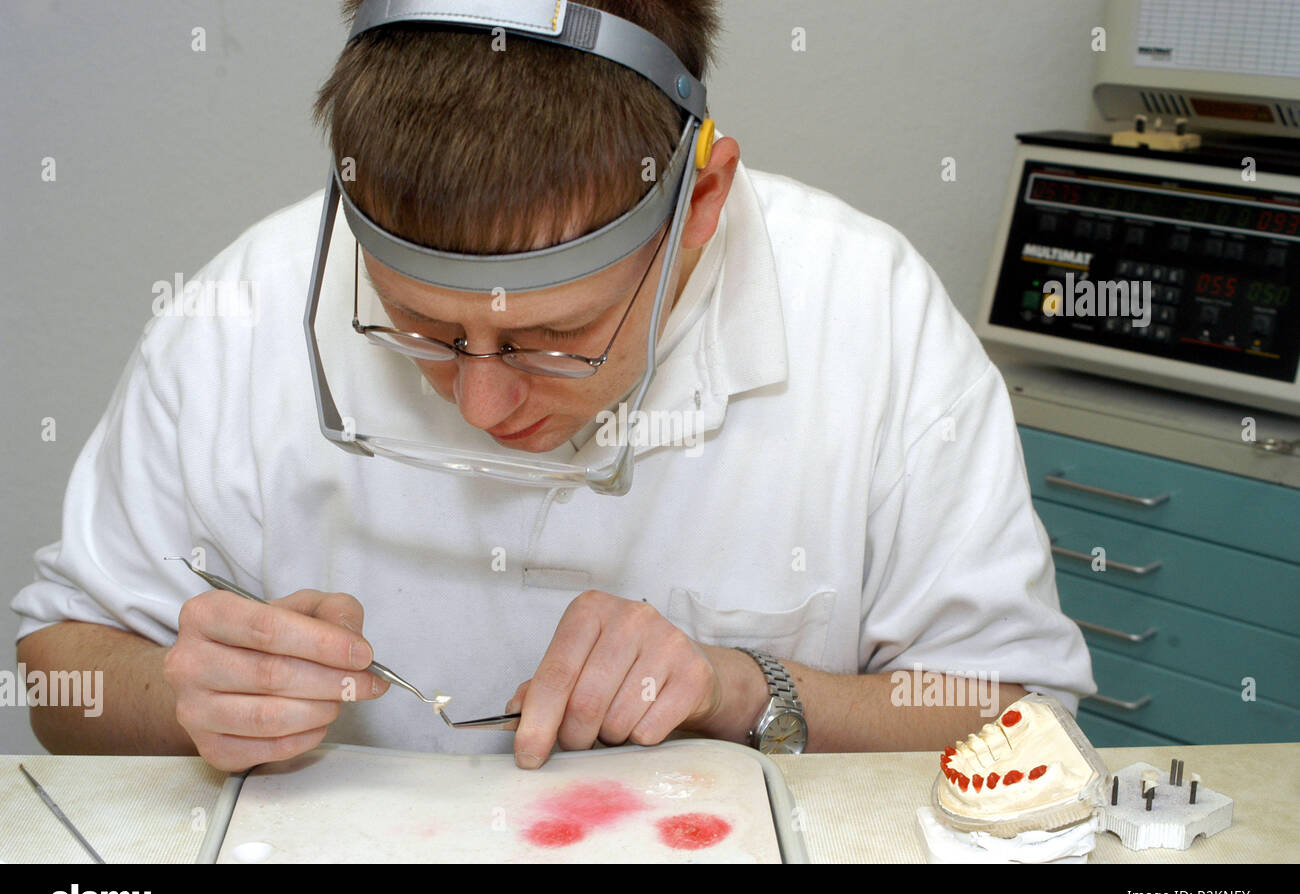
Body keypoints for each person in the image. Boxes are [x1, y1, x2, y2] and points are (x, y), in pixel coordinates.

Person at [12, 0, 1095, 774]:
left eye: (555, 339)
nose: (482, 406)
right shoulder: (238, 309)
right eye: (417, 329)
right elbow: (59, 669)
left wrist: (745, 689)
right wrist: (182, 697)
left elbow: (1012, 712)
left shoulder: (872, 312)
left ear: (698, 210)